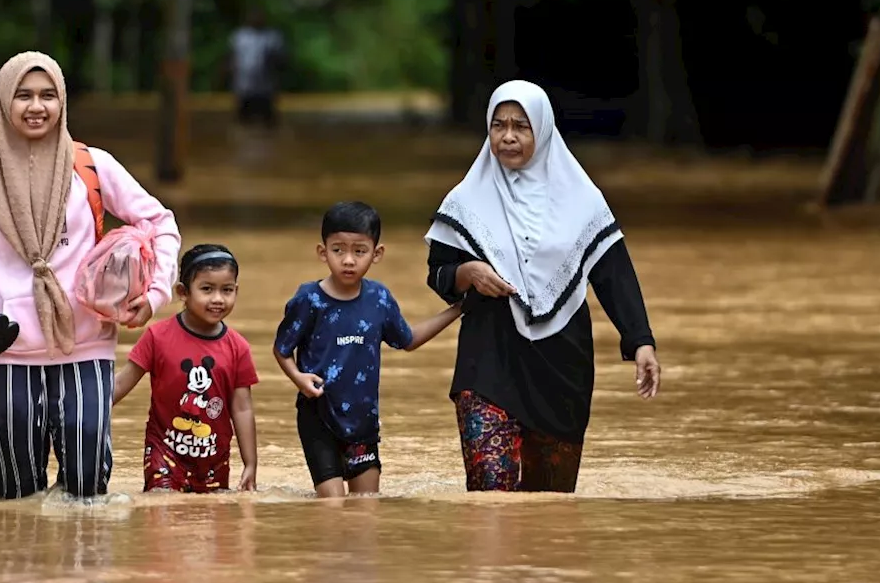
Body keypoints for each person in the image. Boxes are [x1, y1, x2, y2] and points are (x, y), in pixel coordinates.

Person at [0, 51, 181, 499]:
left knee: (88, 491)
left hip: (86, 344)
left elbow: (161, 223)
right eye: (24, 96)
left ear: (63, 102)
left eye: (48, 95)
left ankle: (80, 573)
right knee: (9, 500)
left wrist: (153, 295)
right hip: (7, 349)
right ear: (3, 102)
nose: (37, 107)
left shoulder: (92, 167)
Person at [426, 79, 660, 494]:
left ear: (543, 129)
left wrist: (641, 342)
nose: (508, 136)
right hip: (487, 362)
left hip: (561, 367)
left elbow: (614, 275)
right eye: (499, 125)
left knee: (550, 509)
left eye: (521, 126)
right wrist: (471, 273)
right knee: (489, 498)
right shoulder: (465, 200)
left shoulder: (583, 201)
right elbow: (439, 274)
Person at [274, 201, 462, 498]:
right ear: (323, 252)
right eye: (338, 250)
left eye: (359, 251)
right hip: (318, 415)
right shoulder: (308, 299)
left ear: (377, 254)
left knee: (366, 509)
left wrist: (458, 310)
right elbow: (281, 349)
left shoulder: (379, 299)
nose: (348, 260)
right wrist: (299, 379)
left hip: (363, 420)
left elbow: (408, 340)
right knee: (332, 506)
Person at [112, 245, 259, 493]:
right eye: (206, 289)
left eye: (227, 290)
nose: (217, 299)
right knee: (162, 506)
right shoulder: (157, 337)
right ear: (183, 292)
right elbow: (120, 384)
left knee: (210, 521)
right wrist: (83, 415)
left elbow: (242, 408)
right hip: (164, 452)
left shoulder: (238, 348)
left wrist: (251, 463)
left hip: (213, 458)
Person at [227, 8, 285, 128]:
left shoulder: (272, 37)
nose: (256, 19)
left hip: (266, 85)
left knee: (268, 120)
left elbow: (280, 59)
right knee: (243, 119)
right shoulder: (240, 36)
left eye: (259, 17)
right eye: (253, 17)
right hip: (244, 84)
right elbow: (231, 56)